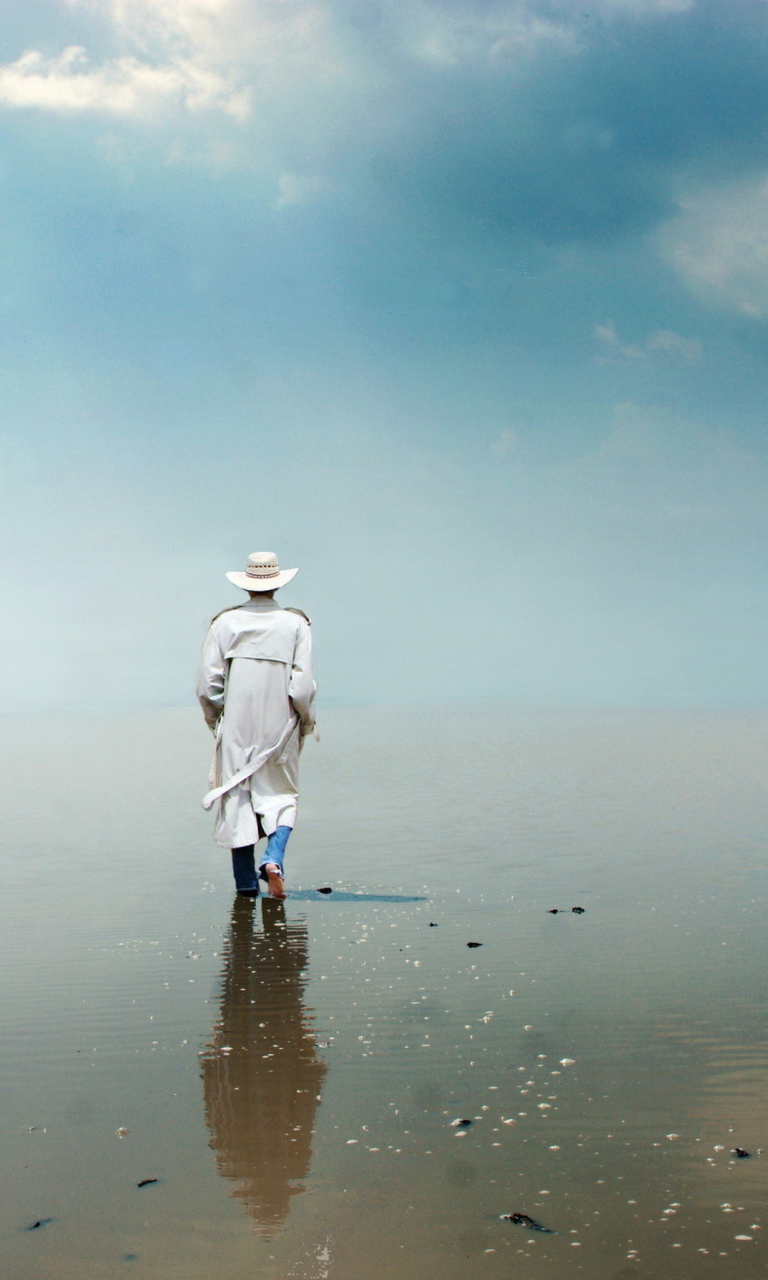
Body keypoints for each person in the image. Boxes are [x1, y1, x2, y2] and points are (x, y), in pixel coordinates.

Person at [197, 551, 316, 899]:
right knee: (281, 795)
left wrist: (215, 720)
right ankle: (273, 859)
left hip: (236, 721)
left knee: (236, 795)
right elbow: (303, 685)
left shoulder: (225, 623)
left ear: (246, 584)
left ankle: (246, 890)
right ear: (279, 582)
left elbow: (208, 684)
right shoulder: (296, 624)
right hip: (280, 721)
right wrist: (304, 721)